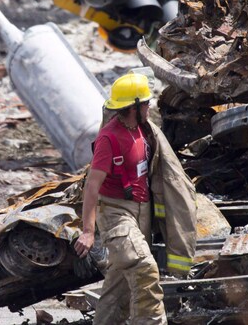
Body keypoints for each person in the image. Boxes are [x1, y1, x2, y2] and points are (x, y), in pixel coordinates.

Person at [74, 73, 197, 325]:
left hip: (141, 213)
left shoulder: (144, 130)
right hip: (116, 214)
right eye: (146, 104)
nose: (149, 107)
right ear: (133, 107)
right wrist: (87, 231)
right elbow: (91, 186)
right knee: (144, 269)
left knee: (118, 288)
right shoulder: (109, 139)